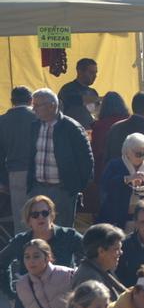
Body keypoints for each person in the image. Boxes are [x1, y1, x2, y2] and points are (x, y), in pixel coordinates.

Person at [29, 89, 93, 229]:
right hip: (38, 188)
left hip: (62, 190)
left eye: (37, 105)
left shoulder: (72, 128)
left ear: (52, 106)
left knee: (62, 233)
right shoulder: (34, 126)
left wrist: (74, 188)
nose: (33, 109)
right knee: (39, 232)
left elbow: (86, 161)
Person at [0, 87, 37, 221]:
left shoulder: (2, 121)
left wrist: (2, 180)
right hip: (40, 173)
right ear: (31, 100)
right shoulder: (38, 118)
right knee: (41, 215)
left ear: (11, 101)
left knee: (22, 217)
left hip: (15, 173)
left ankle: (24, 241)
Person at [70, 224, 127, 300]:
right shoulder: (90, 280)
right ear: (101, 251)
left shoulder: (102, 271)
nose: (121, 252)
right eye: (116, 249)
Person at [57, 58, 99, 130]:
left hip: (88, 132)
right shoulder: (68, 89)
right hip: (70, 132)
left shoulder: (93, 92)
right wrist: (104, 98)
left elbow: (97, 112)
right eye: (91, 72)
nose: (95, 76)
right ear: (80, 71)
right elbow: (77, 100)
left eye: (95, 73)